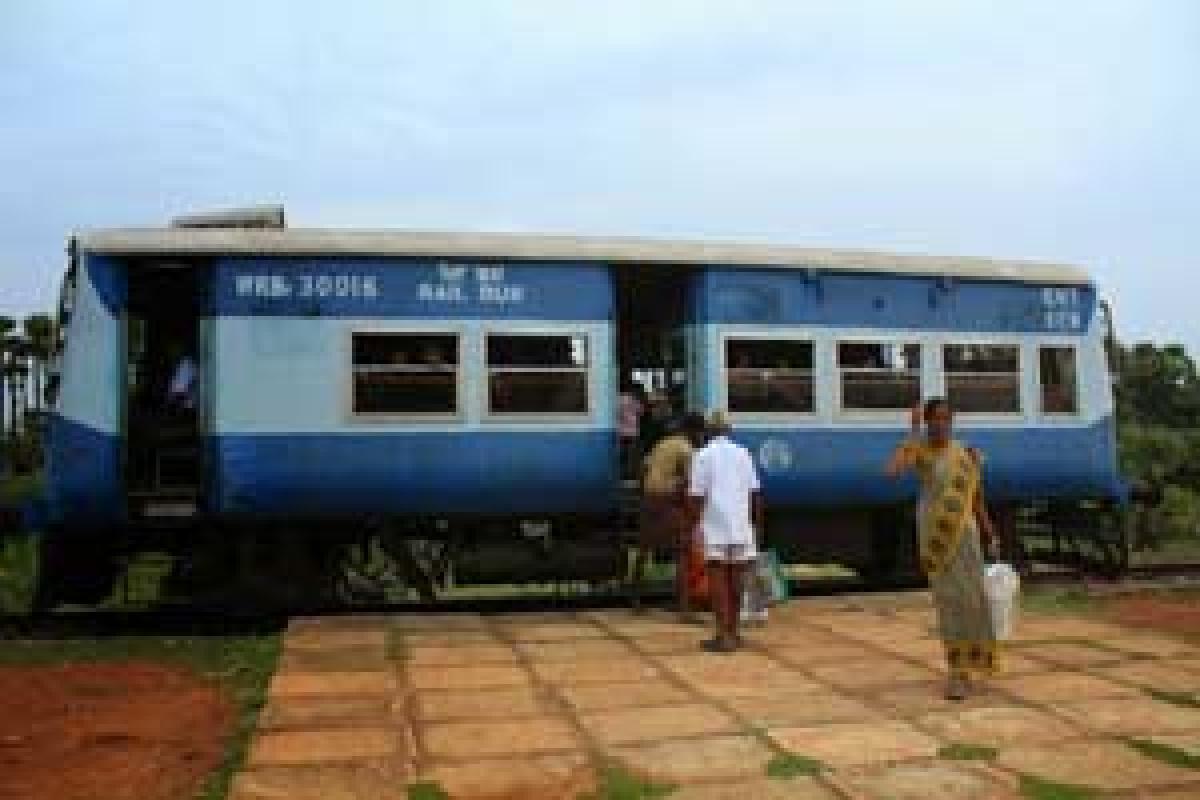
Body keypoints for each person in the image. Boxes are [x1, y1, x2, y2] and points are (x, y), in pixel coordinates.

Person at [886, 397, 998, 700]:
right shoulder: (920, 451)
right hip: (937, 540)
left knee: (974, 601)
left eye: (947, 419)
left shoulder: (966, 454)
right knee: (948, 604)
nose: (941, 425)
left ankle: (978, 663)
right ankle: (957, 674)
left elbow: (977, 499)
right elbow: (892, 471)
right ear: (927, 421)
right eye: (935, 419)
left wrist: (990, 532)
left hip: (967, 538)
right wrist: (911, 432)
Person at [688, 410, 764, 652]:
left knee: (717, 577)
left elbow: (696, 496)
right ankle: (734, 632)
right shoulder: (744, 453)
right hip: (741, 524)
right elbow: (755, 493)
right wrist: (755, 525)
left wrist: (694, 525)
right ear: (729, 431)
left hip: (715, 525)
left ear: (707, 432)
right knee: (736, 579)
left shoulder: (703, 455)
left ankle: (722, 635)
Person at [631, 412, 708, 618]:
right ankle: (684, 609)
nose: (702, 438)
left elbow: (643, 468)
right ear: (694, 432)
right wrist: (692, 509)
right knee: (682, 552)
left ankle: (636, 600)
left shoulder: (662, 444)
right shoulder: (687, 449)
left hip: (649, 499)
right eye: (701, 433)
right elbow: (691, 482)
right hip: (667, 501)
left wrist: (645, 492)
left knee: (644, 548)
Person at [618, 381, 646, 481]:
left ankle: (621, 474)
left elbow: (615, 413)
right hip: (633, 432)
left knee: (621, 455)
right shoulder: (635, 400)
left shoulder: (618, 398)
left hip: (620, 431)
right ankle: (630, 475)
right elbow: (641, 412)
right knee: (632, 455)